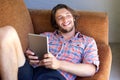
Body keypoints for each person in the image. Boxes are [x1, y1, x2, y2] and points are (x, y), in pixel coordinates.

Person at [0, 4, 99, 80]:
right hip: (31, 71)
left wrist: (59, 64)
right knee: (7, 32)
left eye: (68, 15)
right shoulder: (44, 36)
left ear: (73, 18)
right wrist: (30, 56)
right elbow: (28, 55)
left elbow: (90, 70)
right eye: (60, 17)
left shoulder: (87, 41)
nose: (65, 19)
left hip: (56, 76)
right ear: (55, 23)